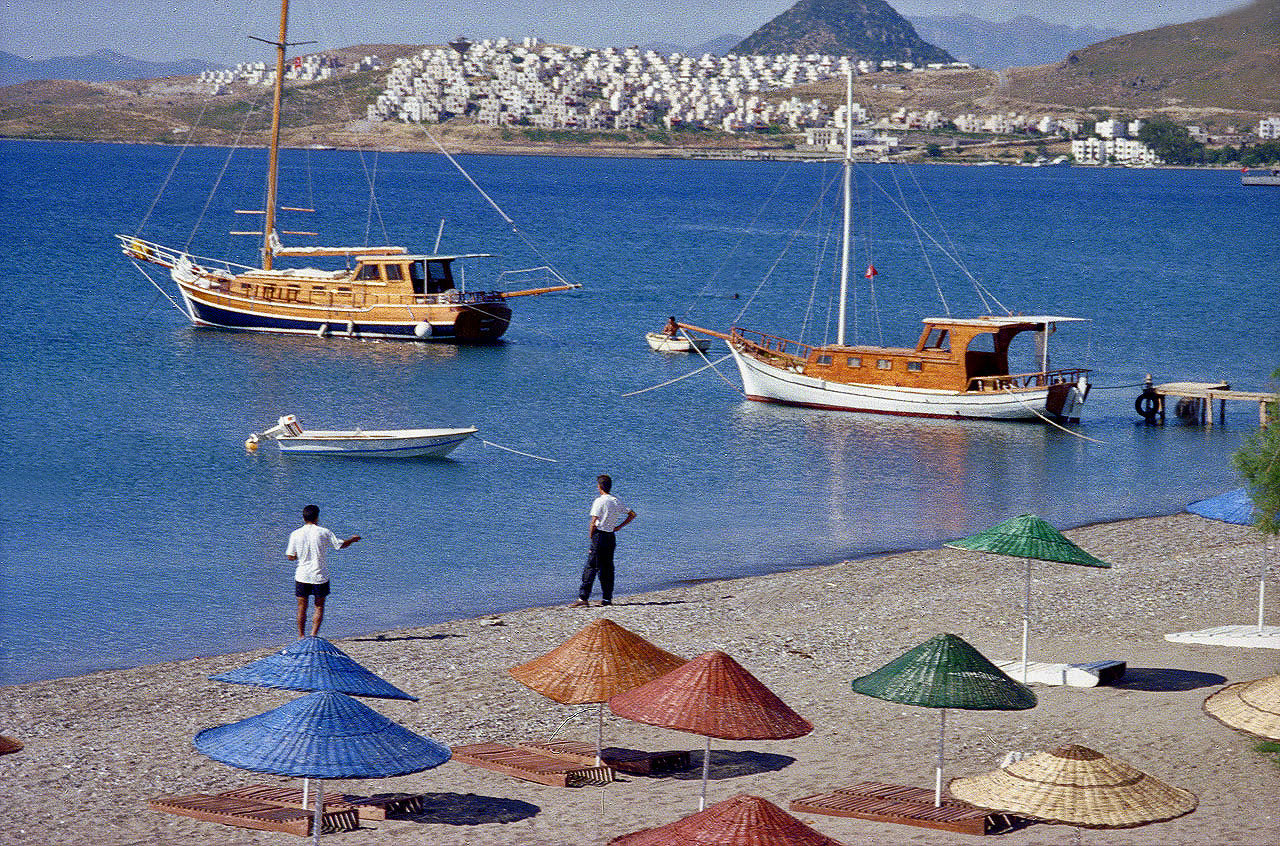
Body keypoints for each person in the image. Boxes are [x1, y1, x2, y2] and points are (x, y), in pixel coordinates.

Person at [286, 504, 360, 638]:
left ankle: (301, 636)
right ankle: (313, 635)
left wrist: (299, 555)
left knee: (302, 606)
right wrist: (352, 540)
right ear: (317, 517)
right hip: (319, 575)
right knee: (319, 606)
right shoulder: (324, 532)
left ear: (303, 518)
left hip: (302, 575)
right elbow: (340, 545)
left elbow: (290, 556)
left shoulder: (295, 534)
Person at [572, 474, 635, 608]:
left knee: (591, 566)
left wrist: (591, 536)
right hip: (610, 536)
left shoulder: (599, 501)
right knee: (607, 567)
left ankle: (583, 597)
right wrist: (618, 527)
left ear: (599, 486)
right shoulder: (616, 500)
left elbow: (593, 521)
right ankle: (607, 598)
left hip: (599, 535)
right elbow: (632, 514)